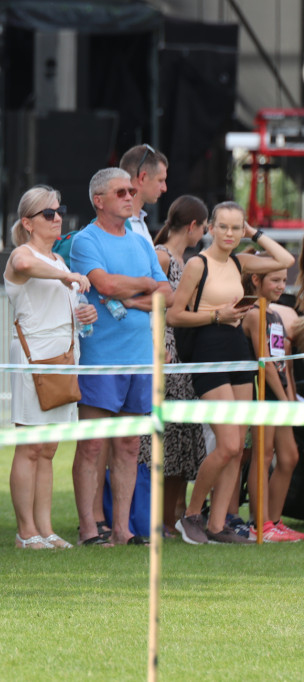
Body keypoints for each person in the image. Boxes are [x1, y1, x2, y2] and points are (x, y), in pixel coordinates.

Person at [167, 201, 293, 544]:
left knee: (239, 448)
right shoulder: (198, 264)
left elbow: (286, 260)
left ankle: (219, 524)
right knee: (227, 444)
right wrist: (215, 316)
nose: (229, 234)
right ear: (209, 228)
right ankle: (192, 515)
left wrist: (256, 233)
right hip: (208, 354)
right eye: (223, 226)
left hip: (237, 352)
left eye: (237, 228)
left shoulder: (240, 261)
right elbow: (173, 316)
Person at [69, 168, 172, 546]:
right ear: (99, 200)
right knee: (92, 444)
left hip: (140, 358)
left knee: (129, 445)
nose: (130, 196)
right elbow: (105, 284)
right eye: (121, 192)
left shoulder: (140, 240)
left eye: (131, 190)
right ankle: (87, 528)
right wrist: (147, 285)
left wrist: (132, 299)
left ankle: (123, 529)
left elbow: (170, 294)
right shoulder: (86, 240)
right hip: (101, 357)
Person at [4, 186, 96, 549]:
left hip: (62, 357)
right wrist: (67, 278)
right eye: (48, 213)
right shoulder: (23, 255)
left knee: (48, 448)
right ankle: (25, 531)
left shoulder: (59, 262)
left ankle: (45, 528)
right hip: (34, 357)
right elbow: (24, 266)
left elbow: (66, 311)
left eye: (59, 211)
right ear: (27, 222)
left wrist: (83, 314)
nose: (57, 218)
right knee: (28, 446)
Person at [134, 196, 208, 535]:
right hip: (162, 352)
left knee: (180, 441)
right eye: (204, 227)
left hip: (179, 356)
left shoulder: (184, 258)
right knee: (161, 443)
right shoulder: (162, 255)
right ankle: (154, 519)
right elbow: (146, 301)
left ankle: (172, 517)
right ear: (193, 226)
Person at [241, 263, 303, 541]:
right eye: (275, 281)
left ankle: (274, 521)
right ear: (256, 280)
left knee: (289, 457)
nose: (281, 286)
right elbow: (264, 362)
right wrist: (282, 396)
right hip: (263, 393)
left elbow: (284, 362)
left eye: (283, 281)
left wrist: (291, 398)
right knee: (263, 457)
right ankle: (260, 524)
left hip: (282, 396)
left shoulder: (276, 314)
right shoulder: (254, 315)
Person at [118, 144, 168, 246]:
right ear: (142, 178)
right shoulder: (116, 226)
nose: (164, 188)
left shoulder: (138, 222)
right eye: (160, 180)